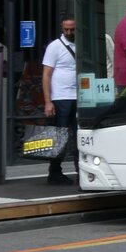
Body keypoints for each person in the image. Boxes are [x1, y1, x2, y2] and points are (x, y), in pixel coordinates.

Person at [41, 17, 77, 185]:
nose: (69, 33)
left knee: (80, 136)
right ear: (62, 29)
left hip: (79, 96)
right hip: (61, 98)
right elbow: (46, 74)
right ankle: (54, 173)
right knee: (60, 136)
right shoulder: (54, 47)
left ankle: (81, 169)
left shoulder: (83, 44)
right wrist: (48, 101)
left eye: (72, 29)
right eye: (66, 30)